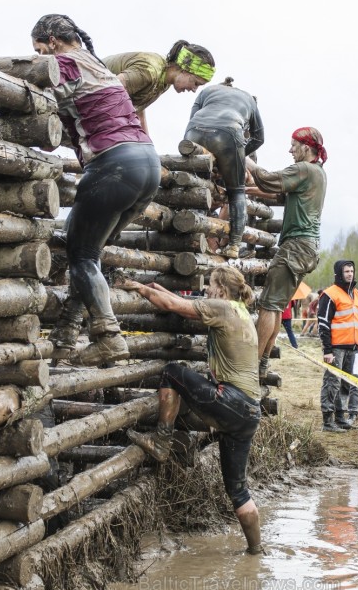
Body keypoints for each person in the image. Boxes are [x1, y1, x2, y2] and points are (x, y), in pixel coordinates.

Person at [31, 14, 161, 361]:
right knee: (89, 251)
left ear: (53, 42)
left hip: (114, 165)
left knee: (82, 256)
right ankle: (68, 328)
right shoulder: (95, 63)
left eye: (39, 49)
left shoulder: (63, 64)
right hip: (148, 164)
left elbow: (38, 107)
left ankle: (108, 337)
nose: (40, 57)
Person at [119, 267, 263, 554]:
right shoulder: (241, 310)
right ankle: (256, 551)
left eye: (210, 285)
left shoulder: (221, 307)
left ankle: (161, 440)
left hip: (230, 401)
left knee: (172, 372)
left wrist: (139, 288)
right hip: (250, 413)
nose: (206, 289)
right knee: (238, 492)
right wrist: (156, 288)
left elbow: (175, 306)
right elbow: (181, 302)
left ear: (221, 289)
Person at [245, 127, 327, 379]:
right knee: (278, 305)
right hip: (308, 248)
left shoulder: (305, 169)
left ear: (306, 147)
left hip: (296, 246)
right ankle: (262, 364)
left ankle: (249, 369)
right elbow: (278, 194)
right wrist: (245, 190)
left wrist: (240, 152)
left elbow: (267, 178)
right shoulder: (317, 174)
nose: (290, 150)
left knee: (268, 305)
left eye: (293, 145)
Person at [184, 77, 264, 259]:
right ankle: (235, 244)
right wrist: (237, 157)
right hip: (229, 133)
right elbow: (259, 138)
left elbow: (193, 119)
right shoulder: (249, 99)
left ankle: (191, 232)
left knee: (196, 184)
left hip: (193, 131)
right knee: (236, 193)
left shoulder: (207, 91)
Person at [103, 41, 215, 135]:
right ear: (185, 70)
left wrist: (148, 146)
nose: (194, 90)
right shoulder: (150, 71)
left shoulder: (165, 80)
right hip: (90, 88)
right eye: (196, 83)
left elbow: (138, 110)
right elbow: (108, 89)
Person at [317, 260, 358, 431]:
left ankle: (340, 417)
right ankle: (328, 421)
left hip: (353, 347)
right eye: (346, 271)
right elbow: (323, 323)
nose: (350, 274)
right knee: (332, 383)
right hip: (335, 348)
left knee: (346, 383)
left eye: (352, 270)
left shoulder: (357, 294)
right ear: (339, 273)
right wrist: (327, 350)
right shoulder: (330, 295)